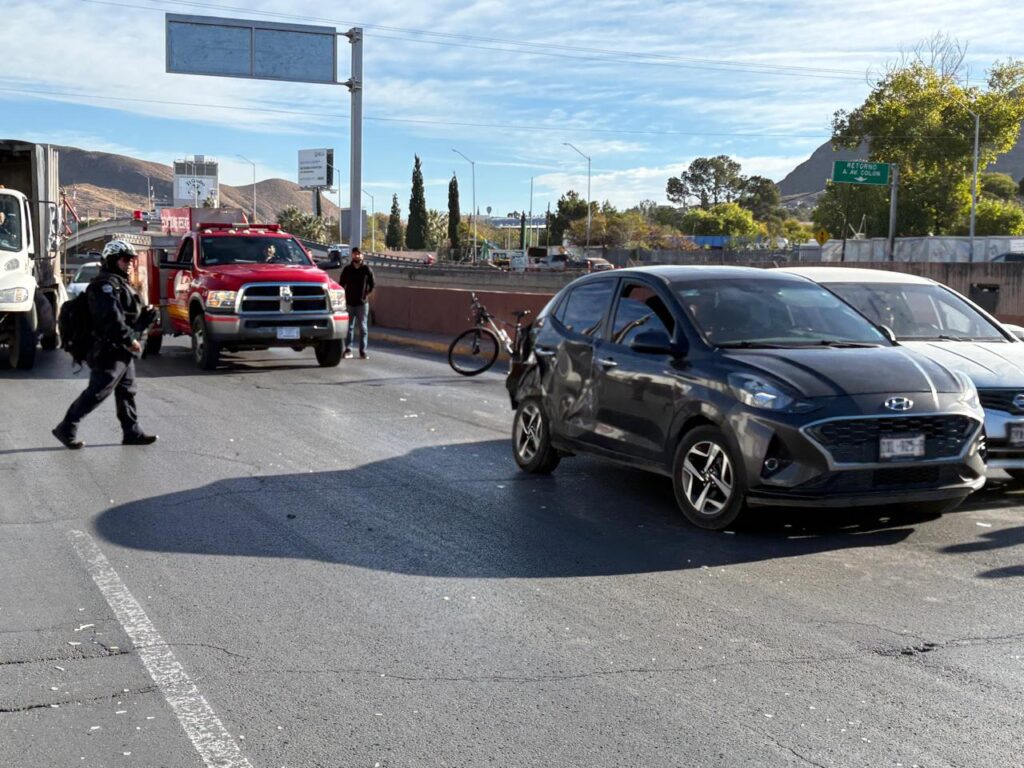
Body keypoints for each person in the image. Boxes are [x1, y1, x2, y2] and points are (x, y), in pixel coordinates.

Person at [52, 240, 158, 450]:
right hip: (108, 349)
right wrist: (129, 339)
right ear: (111, 260)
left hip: (121, 348)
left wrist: (144, 319)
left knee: (127, 390)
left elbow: (127, 315)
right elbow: (110, 318)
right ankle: (66, 427)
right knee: (99, 391)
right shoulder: (103, 286)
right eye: (125, 259)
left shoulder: (120, 283)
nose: (129, 263)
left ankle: (132, 432)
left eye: (131, 260)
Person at [339, 247, 375, 359]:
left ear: (362, 256)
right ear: (352, 255)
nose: (357, 256)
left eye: (359, 254)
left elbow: (372, 285)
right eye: (355, 254)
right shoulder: (347, 269)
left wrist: (366, 295)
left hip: (362, 304)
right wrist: (343, 297)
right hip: (349, 303)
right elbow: (341, 284)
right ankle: (348, 350)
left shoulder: (366, 269)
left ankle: (363, 351)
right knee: (349, 328)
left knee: (363, 328)